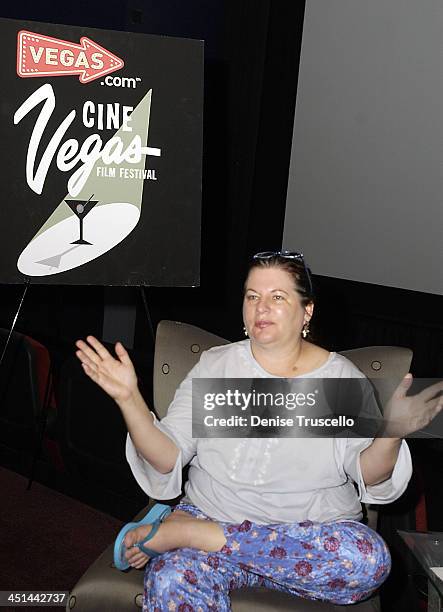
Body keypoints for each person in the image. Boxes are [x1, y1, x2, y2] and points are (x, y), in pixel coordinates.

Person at [75, 251, 443, 611]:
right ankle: (199, 534)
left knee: (367, 559)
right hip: (217, 520)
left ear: (307, 310)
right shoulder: (216, 367)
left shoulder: (340, 377)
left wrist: (391, 432)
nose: (260, 307)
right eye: (252, 296)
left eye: (277, 297)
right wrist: (129, 400)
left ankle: (186, 532)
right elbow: (167, 456)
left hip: (307, 539)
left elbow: (368, 474)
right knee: (172, 578)